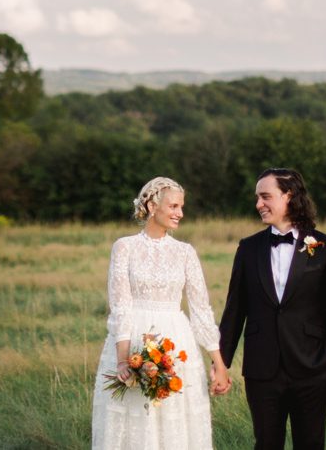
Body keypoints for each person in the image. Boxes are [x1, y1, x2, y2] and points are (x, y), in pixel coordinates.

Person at [215, 168, 326, 450]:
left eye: (266, 196)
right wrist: (221, 364)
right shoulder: (248, 248)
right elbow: (234, 311)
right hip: (261, 370)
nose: (258, 204)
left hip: (312, 368)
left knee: (310, 444)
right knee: (266, 444)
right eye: (257, 198)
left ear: (289, 196)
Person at [92, 177, 231, 450]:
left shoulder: (185, 252)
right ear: (152, 205)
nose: (180, 213)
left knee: (175, 420)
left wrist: (219, 363)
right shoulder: (125, 247)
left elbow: (201, 309)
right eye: (174, 206)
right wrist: (123, 361)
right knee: (135, 418)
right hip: (132, 340)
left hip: (177, 341)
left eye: (182, 206)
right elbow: (120, 306)